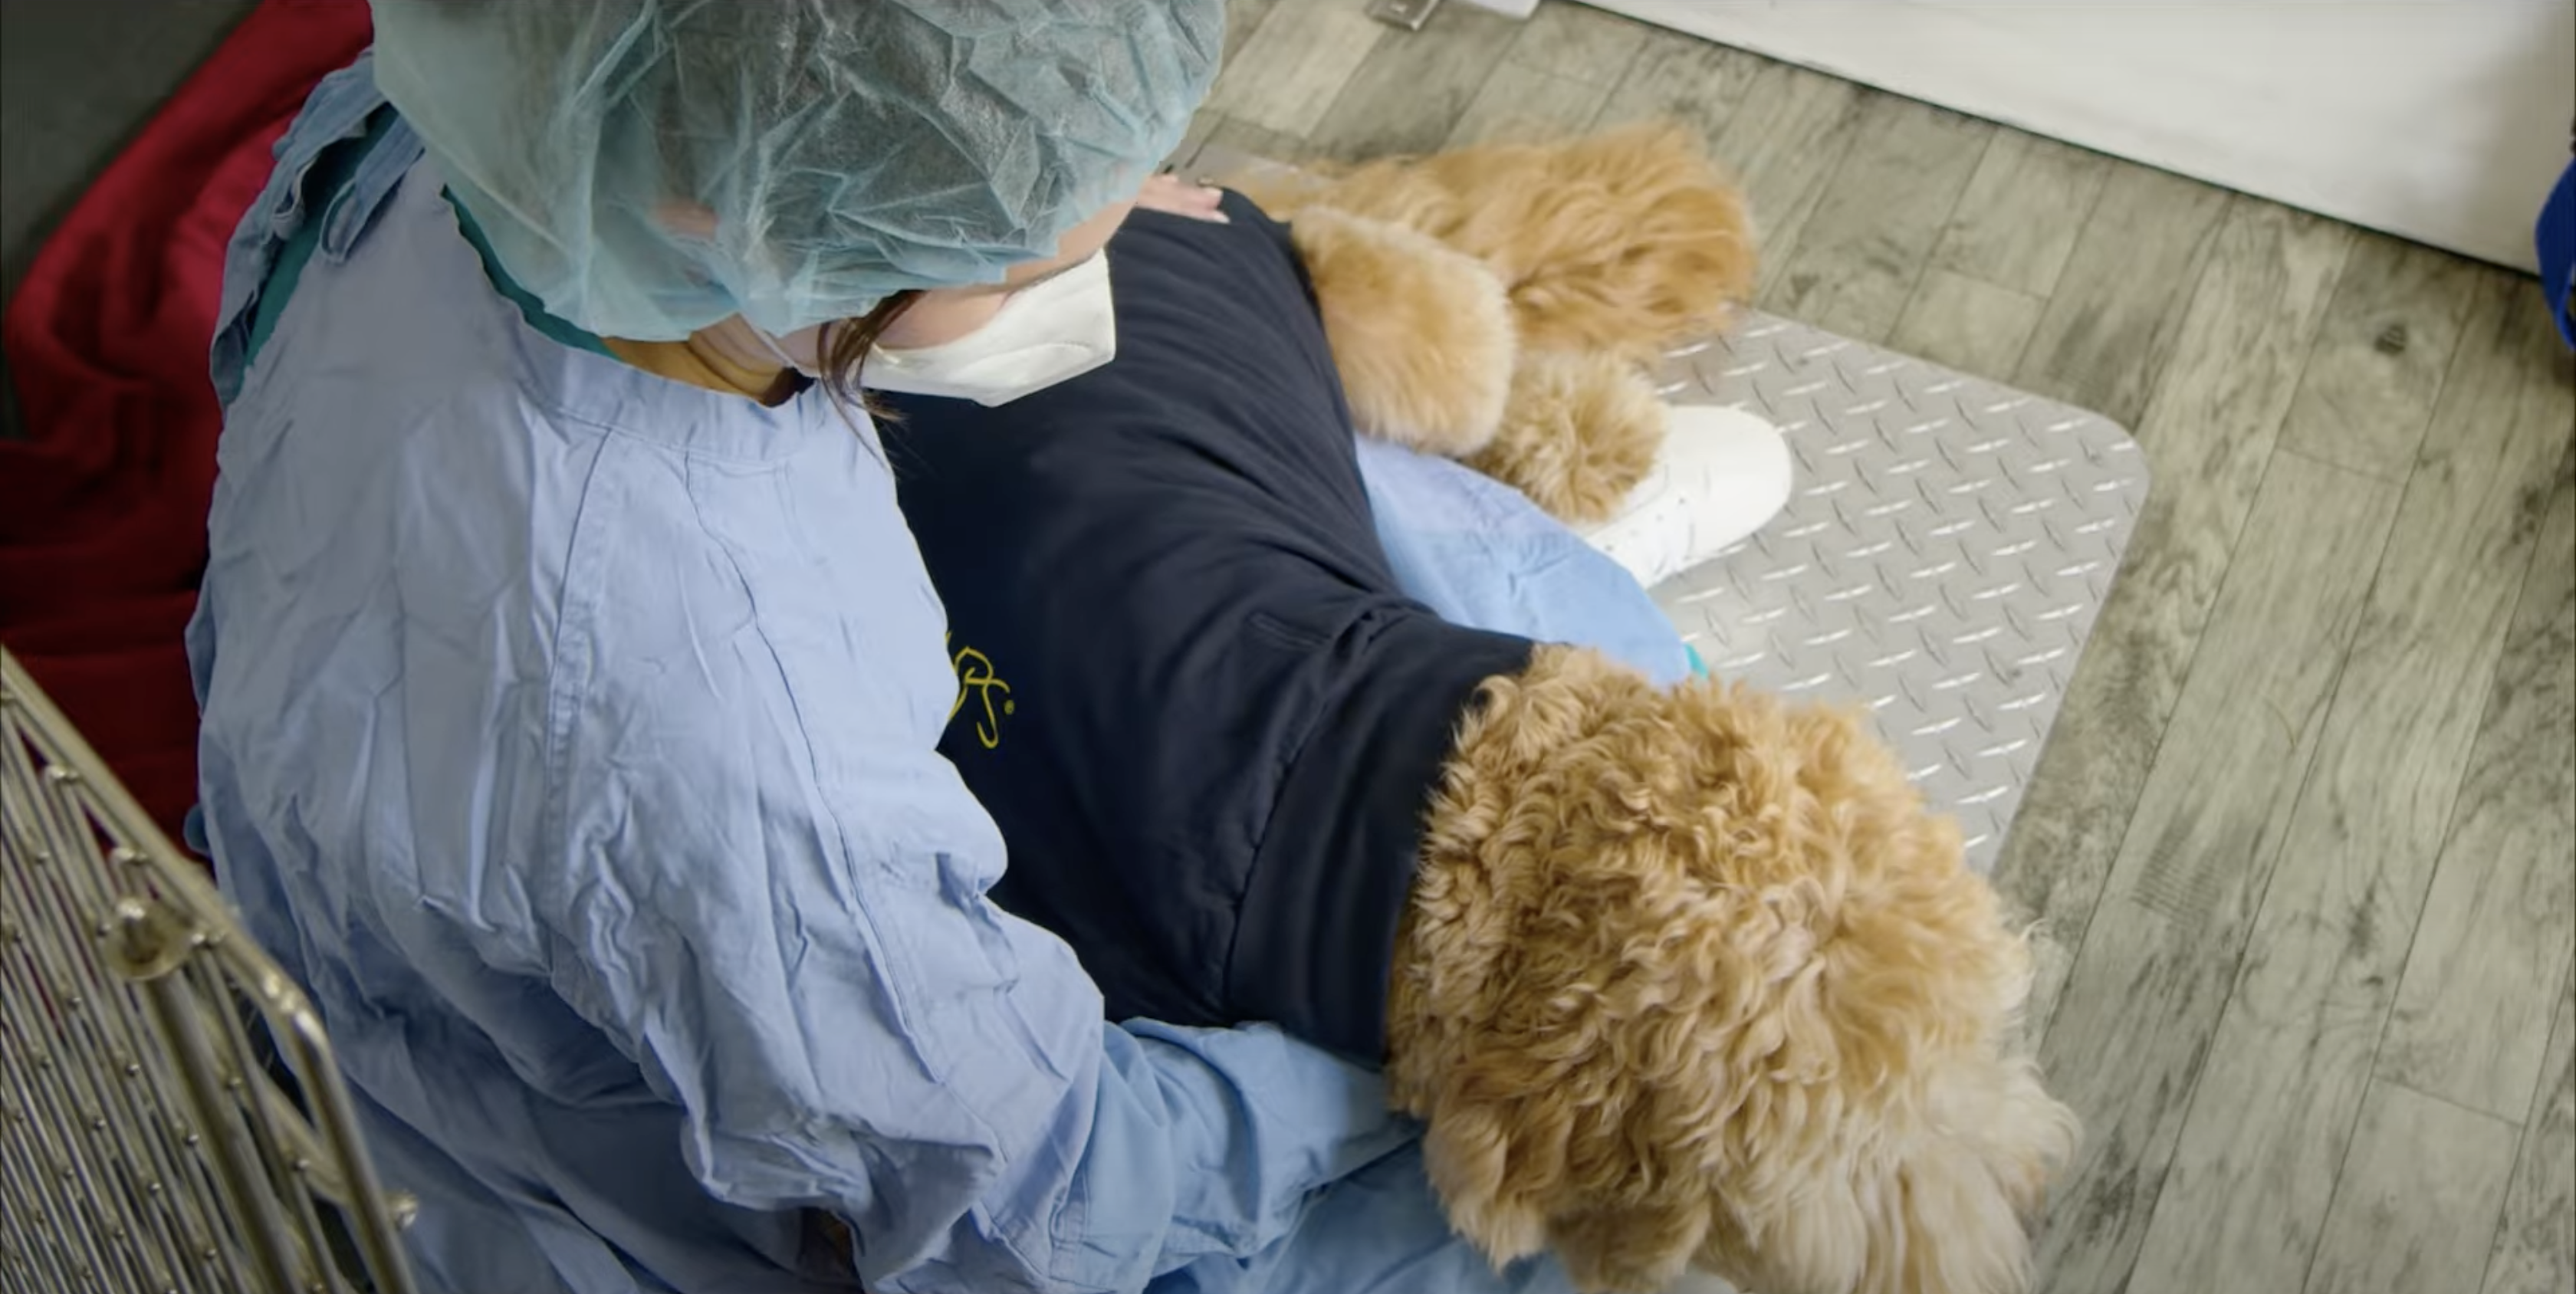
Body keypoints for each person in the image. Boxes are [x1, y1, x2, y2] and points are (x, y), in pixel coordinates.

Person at [185, 3, 1695, 1292]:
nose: (1078, 290)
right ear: (762, 214)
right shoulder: (734, 743)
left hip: (342, 907)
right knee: (1559, 1210)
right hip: (554, 1185)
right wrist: (1393, 1057)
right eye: (1027, 249)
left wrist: (1025, 211)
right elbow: (1031, 1200)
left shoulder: (464, 108)